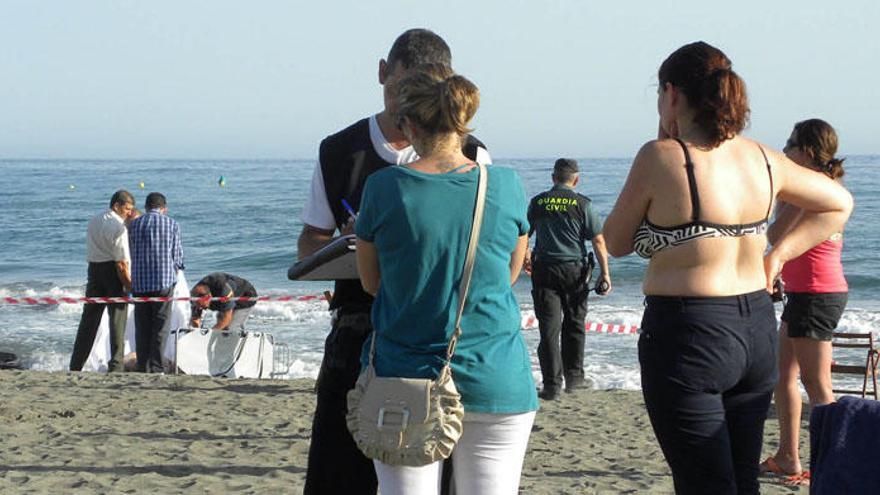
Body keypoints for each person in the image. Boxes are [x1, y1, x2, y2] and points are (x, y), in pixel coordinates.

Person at [602, 41, 852, 494]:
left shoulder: (661, 156)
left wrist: (664, 136)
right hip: (754, 326)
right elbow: (838, 202)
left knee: (704, 484)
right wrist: (776, 255)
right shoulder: (762, 157)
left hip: (689, 332)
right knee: (741, 480)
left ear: (672, 94)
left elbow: (616, 242)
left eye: (660, 94)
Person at [297, 29, 491, 495]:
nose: (409, 106)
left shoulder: (472, 154)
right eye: (401, 89)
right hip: (359, 326)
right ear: (382, 73)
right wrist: (346, 243)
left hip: (441, 337)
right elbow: (309, 244)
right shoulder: (340, 150)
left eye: (423, 92)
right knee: (341, 471)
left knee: (433, 471)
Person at [355, 65, 537, 495]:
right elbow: (510, 272)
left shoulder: (384, 187)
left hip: (405, 374)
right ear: (462, 124)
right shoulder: (505, 185)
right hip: (495, 372)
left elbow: (372, 282)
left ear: (410, 124)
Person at [762, 119, 849, 483]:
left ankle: (831, 465)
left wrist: (783, 195)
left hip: (818, 294)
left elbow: (778, 233)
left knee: (817, 387)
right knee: (784, 376)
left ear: (808, 152)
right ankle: (788, 455)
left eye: (791, 144)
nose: (784, 150)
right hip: (806, 293)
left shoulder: (815, 190)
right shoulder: (817, 189)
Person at [525, 158, 611, 400]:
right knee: (574, 324)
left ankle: (551, 386)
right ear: (576, 179)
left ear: (553, 178)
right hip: (574, 271)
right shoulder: (583, 204)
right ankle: (575, 379)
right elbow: (598, 240)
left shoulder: (538, 202)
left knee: (548, 329)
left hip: (544, 271)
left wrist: (524, 258)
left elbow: (523, 235)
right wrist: (605, 273)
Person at [69, 190, 134, 372]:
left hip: (94, 270)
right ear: (116, 206)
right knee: (117, 321)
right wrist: (130, 287)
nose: (129, 213)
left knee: (88, 322)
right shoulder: (118, 227)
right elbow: (121, 264)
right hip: (113, 273)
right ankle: (116, 365)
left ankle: (76, 364)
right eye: (127, 209)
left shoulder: (94, 220)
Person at [129, 192, 184, 374]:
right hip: (163, 282)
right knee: (161, 327)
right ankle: (157, 366)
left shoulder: (134, 225)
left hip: (140, 283)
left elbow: (129, 251)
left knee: (142, 326)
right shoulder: (172, 224)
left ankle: (142, 365)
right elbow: (177, 257)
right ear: (164, 208)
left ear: (146, 207)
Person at [189, 272, 258, 331]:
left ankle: (239, 336)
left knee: (229, 328)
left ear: (208, 297)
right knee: (220, 326)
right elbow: (195, 320)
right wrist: (196, 332)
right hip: (222, 301)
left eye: (202, 305)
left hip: (246, 298)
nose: (200, 308)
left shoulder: (223, 290)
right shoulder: (194, 295)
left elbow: (226, 318)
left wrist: (209, 333)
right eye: (197, 305)